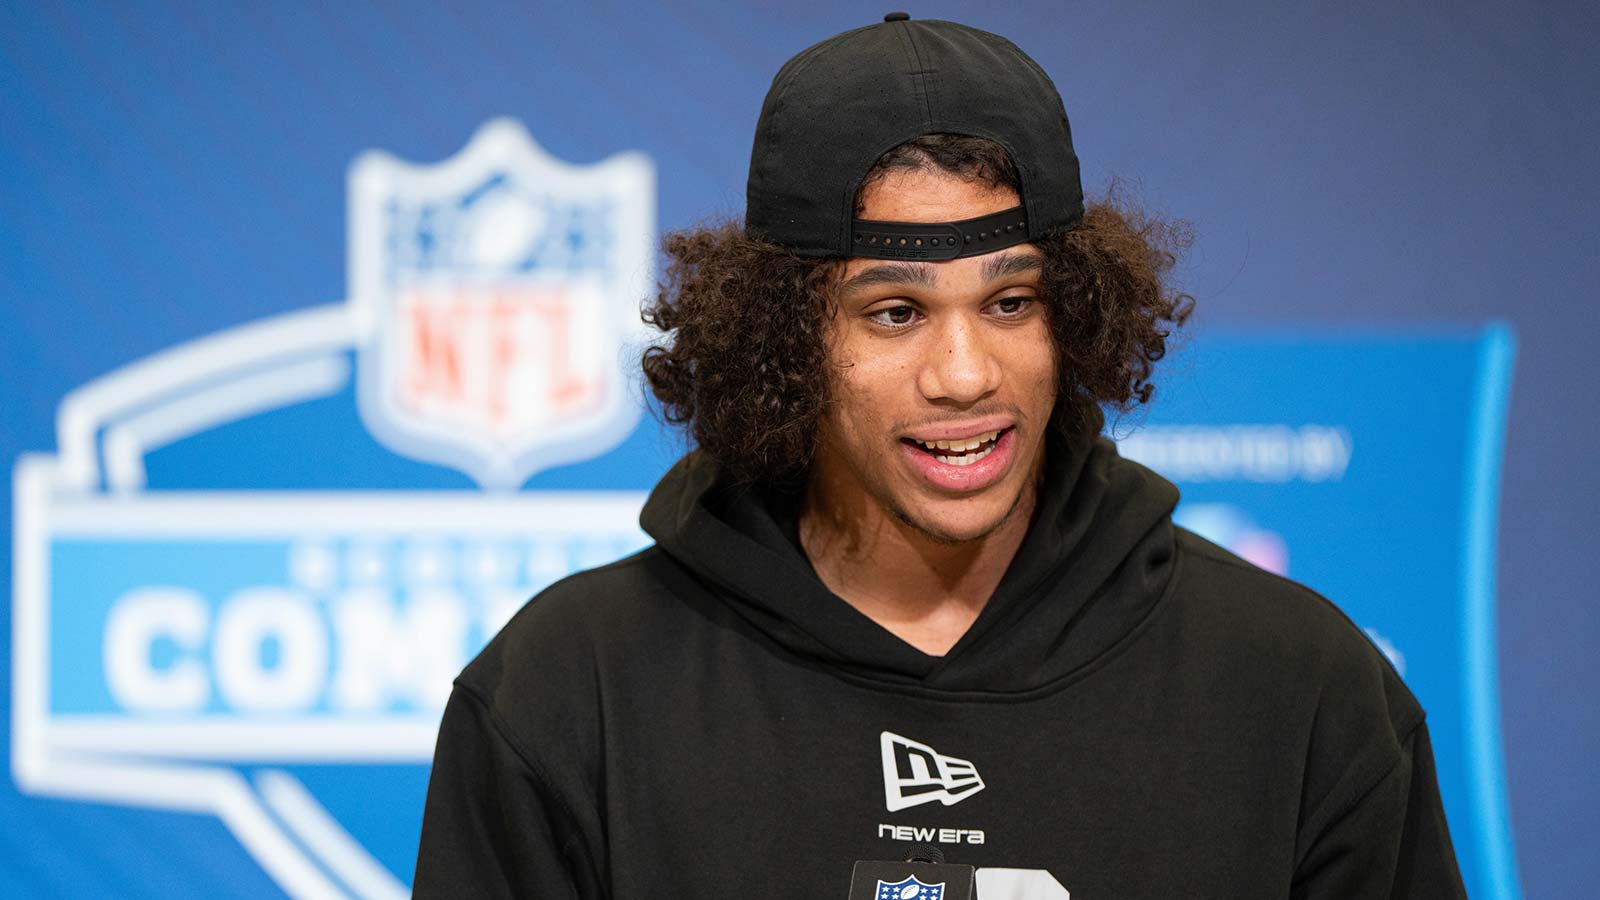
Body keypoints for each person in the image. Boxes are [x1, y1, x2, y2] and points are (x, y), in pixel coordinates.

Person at [414, 14, 1467, 899]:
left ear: (1078, 318)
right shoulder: (571, 691)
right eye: (894, 312)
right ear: (784, 341)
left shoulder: (1300, 689)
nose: (965, 375)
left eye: (1012, 302)